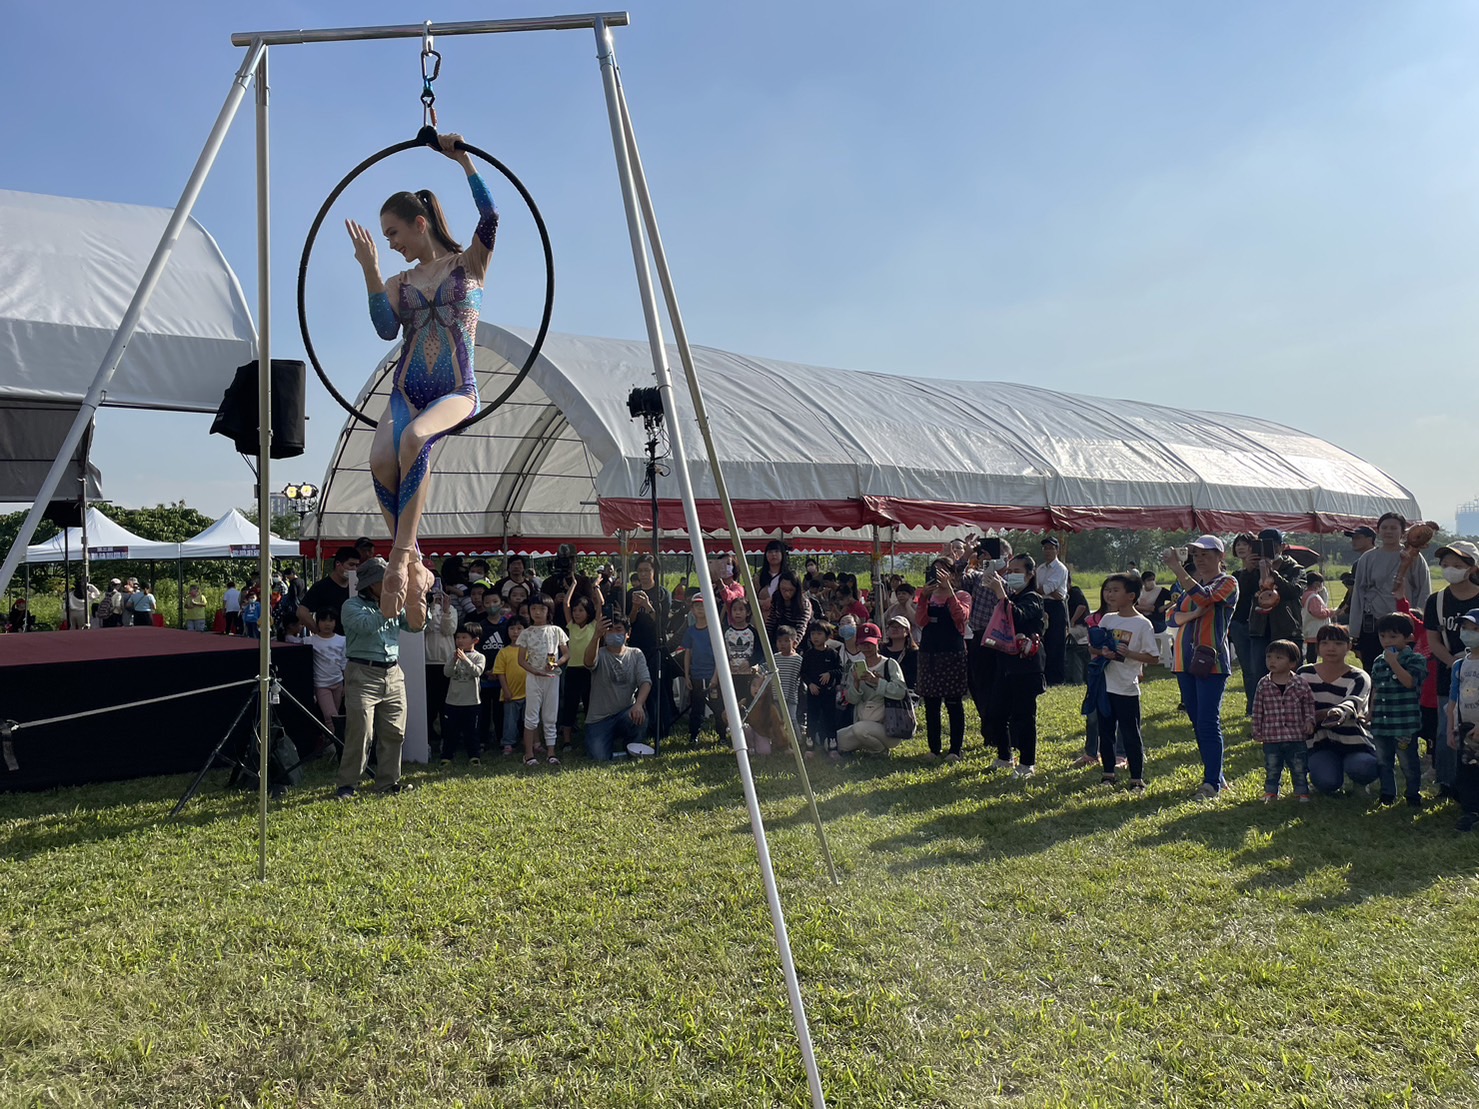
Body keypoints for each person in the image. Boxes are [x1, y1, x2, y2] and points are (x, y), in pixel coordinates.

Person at [348, 131, 499, 617]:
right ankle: (414, 562)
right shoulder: (398, 281)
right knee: (379, 461)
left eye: (392, 234)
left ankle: (400, 558)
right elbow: (383, 327)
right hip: (405, 389)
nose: (389, 244)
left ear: (419, 223)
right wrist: (371, 271)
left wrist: (464, 162)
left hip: (457, 389)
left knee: (415, 439)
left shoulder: (469, 264)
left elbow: (491, 217)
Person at [335, 556, 427, 799]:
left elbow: (415, 626)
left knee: (395, 731)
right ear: (370, 584)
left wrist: (420, 603)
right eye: (385, 580)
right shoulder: (351, 606)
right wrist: (390, 606)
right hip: (362, 673)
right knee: (361, 732)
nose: (391, 584)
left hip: (393, 673)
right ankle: (348, 783)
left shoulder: (394, 604)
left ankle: (388, 782)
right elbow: (366, 626)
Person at [1163, 535, 1239, 799]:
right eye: (1196, 555)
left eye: (1206, 554)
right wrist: (1191, 614)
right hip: (1184, 661)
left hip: (1211, 662)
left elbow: (1205, 599)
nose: (1200, 560)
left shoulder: (1228, 582)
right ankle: (1216, 775)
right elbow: (1170, 616)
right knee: (1197, 720)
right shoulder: (1189, 586)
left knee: (1207, 722)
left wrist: (1177, 569)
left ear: (1221, 556)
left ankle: (1212, 784)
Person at [1092, 573, 1159, 791]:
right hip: (1105, 685)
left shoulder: (1142, 624)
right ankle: (1108, 774)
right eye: (1107, 590)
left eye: (1115, 590)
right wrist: (1101, 651)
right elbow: (1092, 648)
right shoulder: (1107, 619)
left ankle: (1136, 778)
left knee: (1131, 733)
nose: (1109, 594)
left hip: (1127, 687)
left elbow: (1153, 657)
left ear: (1131, 596)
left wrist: (1129, 653)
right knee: (1106, 732)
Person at [982, 555, 1046, 777]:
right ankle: (1004, 756)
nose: (1011, 575)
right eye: (1009, 570)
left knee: (1024, 716)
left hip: (1025, 666)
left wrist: (1001, 596)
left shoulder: (1033, 598)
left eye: (1017, 570)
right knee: (997, 713)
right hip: (1005, 663)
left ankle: (1027, 762)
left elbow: (1016, 618)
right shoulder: (1012, 596)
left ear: (1030, 574)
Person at [1424, 541, 1479, 797]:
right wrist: (1454, 664)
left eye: (1457, 565)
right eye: (1446, 564)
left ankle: (1470, 785)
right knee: (1447, 726)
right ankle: (1447, 783)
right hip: (1450, 672)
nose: (1450, 569)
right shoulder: (1437, 601)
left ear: (1472, 568)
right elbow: (1432, 639)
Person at [1298, 624, 1379, 795]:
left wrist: (1335, 713)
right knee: (1327, 783)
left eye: (1338, 643)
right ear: (1318, 647)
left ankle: (1361, 781)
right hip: (1320, 743)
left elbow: (1353, 702)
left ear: (1348, 647)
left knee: (1363, 768)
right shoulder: (1304, 674)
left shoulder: (1359, 676)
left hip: (1355, 742)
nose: (1331, 648)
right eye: (1325, 643)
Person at [1346, 513, 1431, 672]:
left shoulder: (1413, 557)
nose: (1388, 531)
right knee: (1374, 670)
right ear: (1378, 531)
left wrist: (1418, 618)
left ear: (1402, 532)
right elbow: (1358, 594)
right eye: (1384, 528)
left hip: (1404, 624)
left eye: (1393, 528)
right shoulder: (1368, 558)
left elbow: (1424, 589)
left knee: (1406, 670)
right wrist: (1355, 631)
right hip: (1373, 624)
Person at [914, 559, 971, 763]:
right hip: (929, 653)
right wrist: (923, 599)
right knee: (931, 704)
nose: (938, 575)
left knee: (954, 703)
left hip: (952, 654)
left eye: (942, 572)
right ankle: (934, 748)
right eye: (934, 571)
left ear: (953, 575)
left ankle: (955, 749)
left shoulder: (962, 595)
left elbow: (961, 617)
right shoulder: (927, 598)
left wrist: (949, 593)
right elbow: (920, 622)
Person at [1244, 529, 1307, 709]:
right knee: (1259, 673)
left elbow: (1294, 592)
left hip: (1287, 628)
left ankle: (1293, 709)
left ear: (1281, 546)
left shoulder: (1295, 569)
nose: (1266, 551)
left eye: (1271, 546)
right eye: (1260, 546)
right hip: (1260, 628)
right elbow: (1242, 594)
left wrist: (1274, 574)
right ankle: (1260, 712)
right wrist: (1249, 571)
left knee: (1290, 673)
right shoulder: (1253, 569)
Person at [1369, 612, 1427, 807]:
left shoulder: (1415, 659)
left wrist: (1393, 662)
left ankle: (1413, 795)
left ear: (1408, 637)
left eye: (1393, 637)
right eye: (1382, 636)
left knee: (1408, 762)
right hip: (1381, 721)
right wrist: (1371, 712)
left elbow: (1410, 682)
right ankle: (1387, 794)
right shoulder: (1378, 661)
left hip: (1404, 723)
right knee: (1383, 761)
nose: (1386, 641)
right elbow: (1376, 689)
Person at [962, 537, 1014, 752]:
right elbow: (960, 577)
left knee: (1000, 688)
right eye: (987, 554)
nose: (990, 558)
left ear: (1007, 558)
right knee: (980, 686)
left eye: (996, 554)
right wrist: (969, 555)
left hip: (1002, 640)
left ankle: (1005, 732)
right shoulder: (978, 576)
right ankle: (989, 732)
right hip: (979, 636)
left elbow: (1010, 600)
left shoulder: (1013, 579)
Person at [1251, 639, 1316, 802]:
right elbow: (1258, 709)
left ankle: (1302, 791)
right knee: (1272, 766)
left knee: (1299, 766)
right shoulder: (1263, 684)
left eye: (1279, 658)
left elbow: (1308, 704)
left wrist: (1309, 721)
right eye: (1269, 657)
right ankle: (1271, 791)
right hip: (1271, 736)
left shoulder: (1300, 684)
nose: (1272, 661)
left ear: (1292, 663)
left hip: (1296, 735)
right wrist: (1257, 730)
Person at [582, 616, 653, 761]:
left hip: (626, 713)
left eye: (619, 629)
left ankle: (632, 746)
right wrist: (596, 636)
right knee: (598, 757)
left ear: (628, 633)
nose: (614, 633)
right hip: (599, 719)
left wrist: (639, 704)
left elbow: (645, 682)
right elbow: (588, 662)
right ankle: (621, 753)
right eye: (610, 630)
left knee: (640, 715)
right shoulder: (599, 653)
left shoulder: (636, 654)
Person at [836, 623, 910, 756]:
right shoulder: (855, 668)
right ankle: (867, 743)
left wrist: (877, 681)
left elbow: (900, 692)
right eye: (863, 644)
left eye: (870, 643)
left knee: (859, 729)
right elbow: (852, 700)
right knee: (835, 741)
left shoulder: (890, 664)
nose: (867, 648)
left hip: (888, 727)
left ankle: (879, 750)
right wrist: (857, 684)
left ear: (879, 642)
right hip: (862, 721)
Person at [518, 596, 569, 766]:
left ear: (549, 611)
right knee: (531, 716)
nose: (537, 612)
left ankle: (551, 752)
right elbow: (521, 660)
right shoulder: (526, 632)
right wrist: (535, 671)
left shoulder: (556, 630)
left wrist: (555, 664)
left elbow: (566, 653)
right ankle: (529, 754)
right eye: (533, 609)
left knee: (550, 715)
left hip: (552, 677)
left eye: (542, 609)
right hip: (533, 678)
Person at [1447, 612, 1479, 830]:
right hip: (1464, 727)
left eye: (1475, 630)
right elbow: (1453, 698)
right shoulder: (1460, 665)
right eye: (1465, 628)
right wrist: (1450, 728)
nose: (1468, 634)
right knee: (1467, 769)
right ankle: (1471, 809)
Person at [440, 623, 487, 765]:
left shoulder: (479, 657)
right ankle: (447, 756)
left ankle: (474, 756)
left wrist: (465, 659)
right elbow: (447, 673)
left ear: (475, 640)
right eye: (458, 637)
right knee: (450, 732)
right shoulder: (452, 655)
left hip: (472, 702)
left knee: (471, 732)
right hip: (453, 701)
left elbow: (477, 672)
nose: (460, 640)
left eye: (464, 637)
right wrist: (454, 660)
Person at [559, 595, 599, 751]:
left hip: (589, 671)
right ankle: (567, 741)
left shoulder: (593, 626)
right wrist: (573, 586)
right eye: (575, 610)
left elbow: (599, 604)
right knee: (570, 706)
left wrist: (596, 588)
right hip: (572, 671)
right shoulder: (571, 626)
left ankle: (590, 737)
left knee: (590, 705)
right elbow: (565, 603)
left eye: (581, 610)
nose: (576, 613)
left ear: (588, 612)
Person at [681, 594, 721, 745]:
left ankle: (722, 735)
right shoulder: (690, 631)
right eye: (696, 606)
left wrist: (716, 676)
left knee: (717, 707)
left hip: (712, 675)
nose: (700, 609)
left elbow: (719, 655)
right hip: (696, 675)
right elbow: (687, 653)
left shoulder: (714, 630)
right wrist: (686, 675)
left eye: (703, 605)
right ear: (692, 609)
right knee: (696, 707)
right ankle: (694, 735)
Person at [801, 620, 841, 754]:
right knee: (812, 719)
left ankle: (832, 746)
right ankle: (809, 747)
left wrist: (830, 673)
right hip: (813, 693)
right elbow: (803, 673)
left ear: (827, 635)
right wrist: (810, 684)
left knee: (830, 719)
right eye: (812, 634)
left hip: (829, 693)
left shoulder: (833, 654)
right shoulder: (808, 655)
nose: (815, 637)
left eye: (819, 633)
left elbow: (840, 671)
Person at [298, 548, 359, 636]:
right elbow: (301, 611)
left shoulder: (357, 587)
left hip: (353, 640)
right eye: (351, 565)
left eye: (357, 566)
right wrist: (318, 632)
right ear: (338, 564)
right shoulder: (321, 587)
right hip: (330, 644)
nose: (354, 569)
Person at [1035, 537, 1070, 685]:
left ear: (1056, 550)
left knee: (1056, 642)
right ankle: (1045, 675)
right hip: (1042, 604)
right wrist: (1044, 590)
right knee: (1043, 640)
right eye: (1046, 548)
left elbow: (1047, 588)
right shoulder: (1040, 568)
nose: (1048, 551)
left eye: (1051, 548)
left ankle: (1056, 678)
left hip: (1056, 607)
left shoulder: (1060, 568)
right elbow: (1038, 589)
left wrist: (1044, 590)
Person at [491, 616, 528, 757]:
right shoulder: (504, 652)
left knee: (530, 721)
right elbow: (500, 673)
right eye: (512, 628)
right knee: (509, 722)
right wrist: (506, 691)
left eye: (519, 628)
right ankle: (507, 743)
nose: (515, 632)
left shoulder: (530, 649)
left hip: (529, 692)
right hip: (511, 694)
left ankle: (531, 743)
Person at [307, 608, 347, 736]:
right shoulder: (310, 641)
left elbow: (344, 663)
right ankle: (335, 744)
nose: (327, 624)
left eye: (331, 620)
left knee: (336, 716)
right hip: (321, 685)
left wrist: (346, 684)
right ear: (317, 622)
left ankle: (333, 742)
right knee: (330, 716)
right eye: (324, 620)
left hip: (338, 683)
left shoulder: (342, 640)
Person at [764, 570, 813, 652]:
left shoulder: (804, 603)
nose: (787, 594)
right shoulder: (776, 597)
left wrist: (794, 644)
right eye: (783, 589)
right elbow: (772, 619)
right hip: (780, 633)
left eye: (790, 590)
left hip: (798, 638)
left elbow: (802, 627)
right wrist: (764, 637)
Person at [771, 625, 805, 741]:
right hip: (776, 695)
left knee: (792, 719)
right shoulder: (774, 658)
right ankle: (779, 740)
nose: (783, 644)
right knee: (777, 719)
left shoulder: (798, 659)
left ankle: (797, 740)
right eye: (780, 641)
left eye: (786, 641)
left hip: (791, 696)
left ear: (794, 642)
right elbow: (765, 669)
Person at [1300, 571, 1334, 663]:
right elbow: (1317, 612)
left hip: (1309, 626)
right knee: (1313, 650)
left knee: (1311, 648)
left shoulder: (1304, 594)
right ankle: (1312, 665)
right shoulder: (1313, 597)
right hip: (1315, 628)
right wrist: (1329, 612)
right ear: (1316, 584)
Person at [881, 615, 919, 689]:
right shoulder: (882, 650)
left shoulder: (914, 653)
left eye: (899, 627)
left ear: (907, 631)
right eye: (892, 627)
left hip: (907, 691)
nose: (895, 629)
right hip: (884, 689)